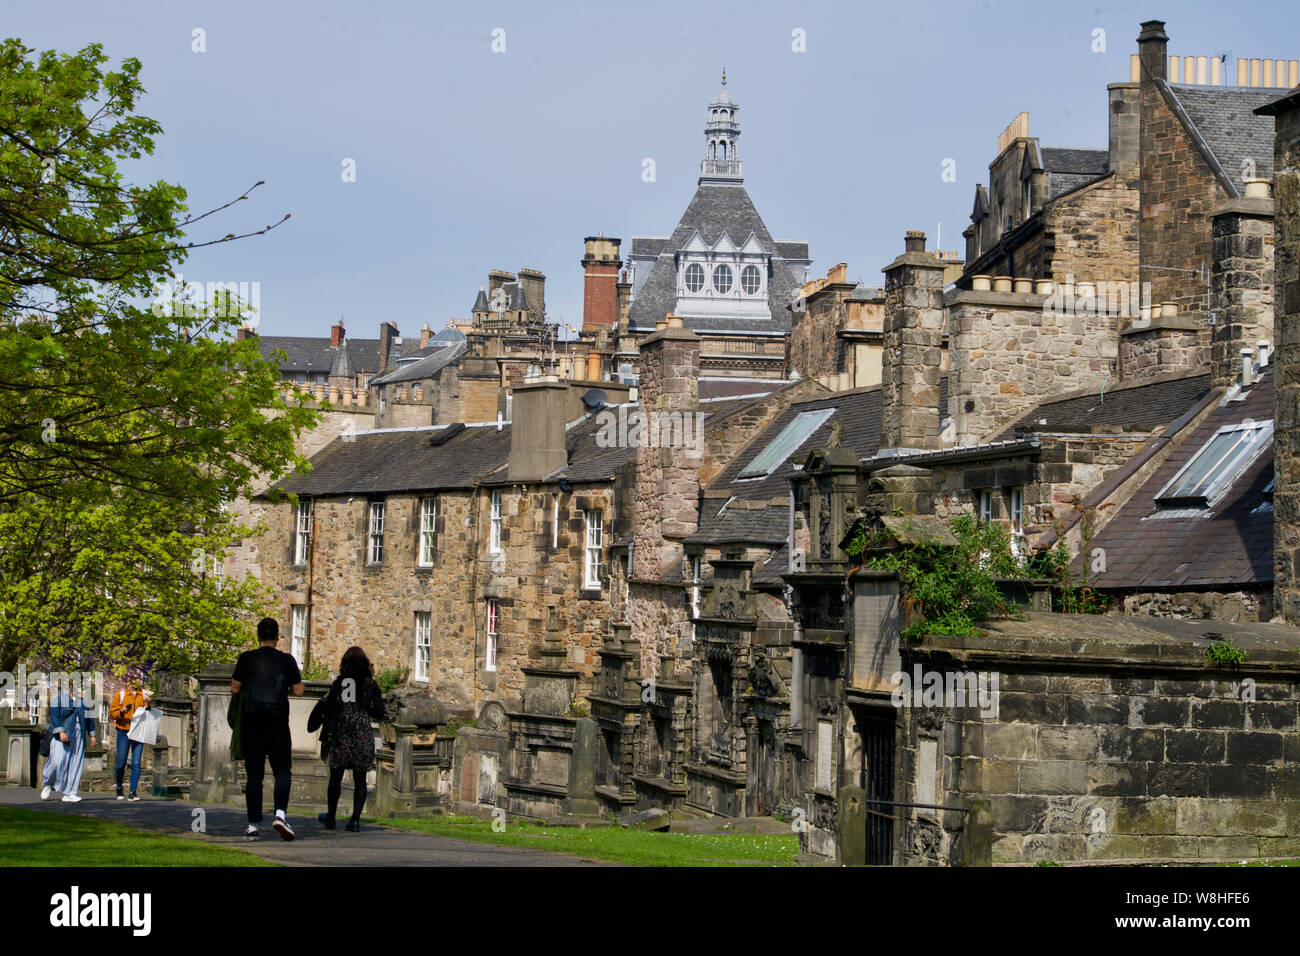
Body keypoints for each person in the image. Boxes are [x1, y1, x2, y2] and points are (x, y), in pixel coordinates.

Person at [231, 617, 303, 840]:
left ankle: (253, 825)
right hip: (278, 720)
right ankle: (280, 814)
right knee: (283, 770)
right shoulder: (287, 660)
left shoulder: (247, 659)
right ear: (278, 637)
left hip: (253, 721)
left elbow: (235, 688)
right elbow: (299, 691)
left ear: (258, 635)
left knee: (254, 774)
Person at [316, 646, 386, 832]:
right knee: (360, 778)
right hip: (362, 731)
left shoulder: (344, 683)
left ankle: (331, 817)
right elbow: (379, 712)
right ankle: (354, 820)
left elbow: (335, 704)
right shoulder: (371, 685)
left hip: (344, 730)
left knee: (336, 776)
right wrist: (365, 710)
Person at [40, 684, 97, 803]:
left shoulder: (82, 703)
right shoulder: (60, 700)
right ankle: (48, 784)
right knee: (57, 761)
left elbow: (89, 719)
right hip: (63, 734)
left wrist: (92, 735)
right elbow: (54, 717)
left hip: (78, 735)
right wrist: (61, 731)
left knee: (75, 765)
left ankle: (70, 793)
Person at [110, 682, 148, 801]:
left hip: (138, 732)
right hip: (123, 731)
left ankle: (133, 791)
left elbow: (149, 713)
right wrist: (122, 711)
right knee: (121, 762)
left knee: (136, 762)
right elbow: (112, 714)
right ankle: (119, 786)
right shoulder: (121, 694)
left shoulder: (144, 695)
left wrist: (149, 703)